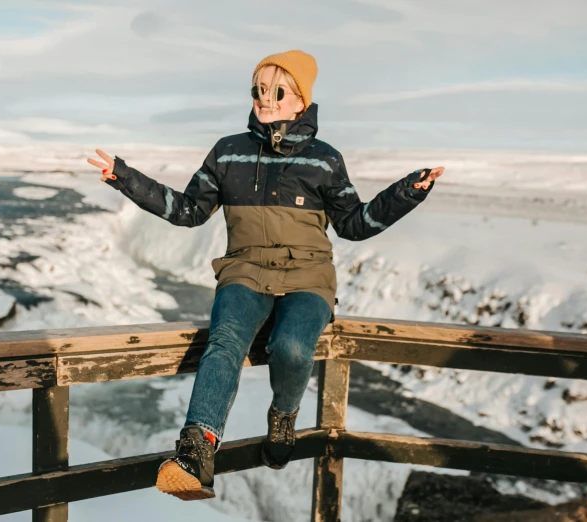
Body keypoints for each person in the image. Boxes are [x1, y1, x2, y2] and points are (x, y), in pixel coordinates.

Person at [87, 49, 444, 501]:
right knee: (225, 342)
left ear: (300, 101)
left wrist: (405, 193)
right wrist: (126, 178)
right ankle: (196, 453)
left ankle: (284, 416)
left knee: (291, 347)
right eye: (259, 90)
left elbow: (354, 223)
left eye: (277, 91)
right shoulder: (228, 152)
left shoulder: (324, 160)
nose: (265, 99)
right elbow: (189, 211)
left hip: (308, 275)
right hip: (245, 269)